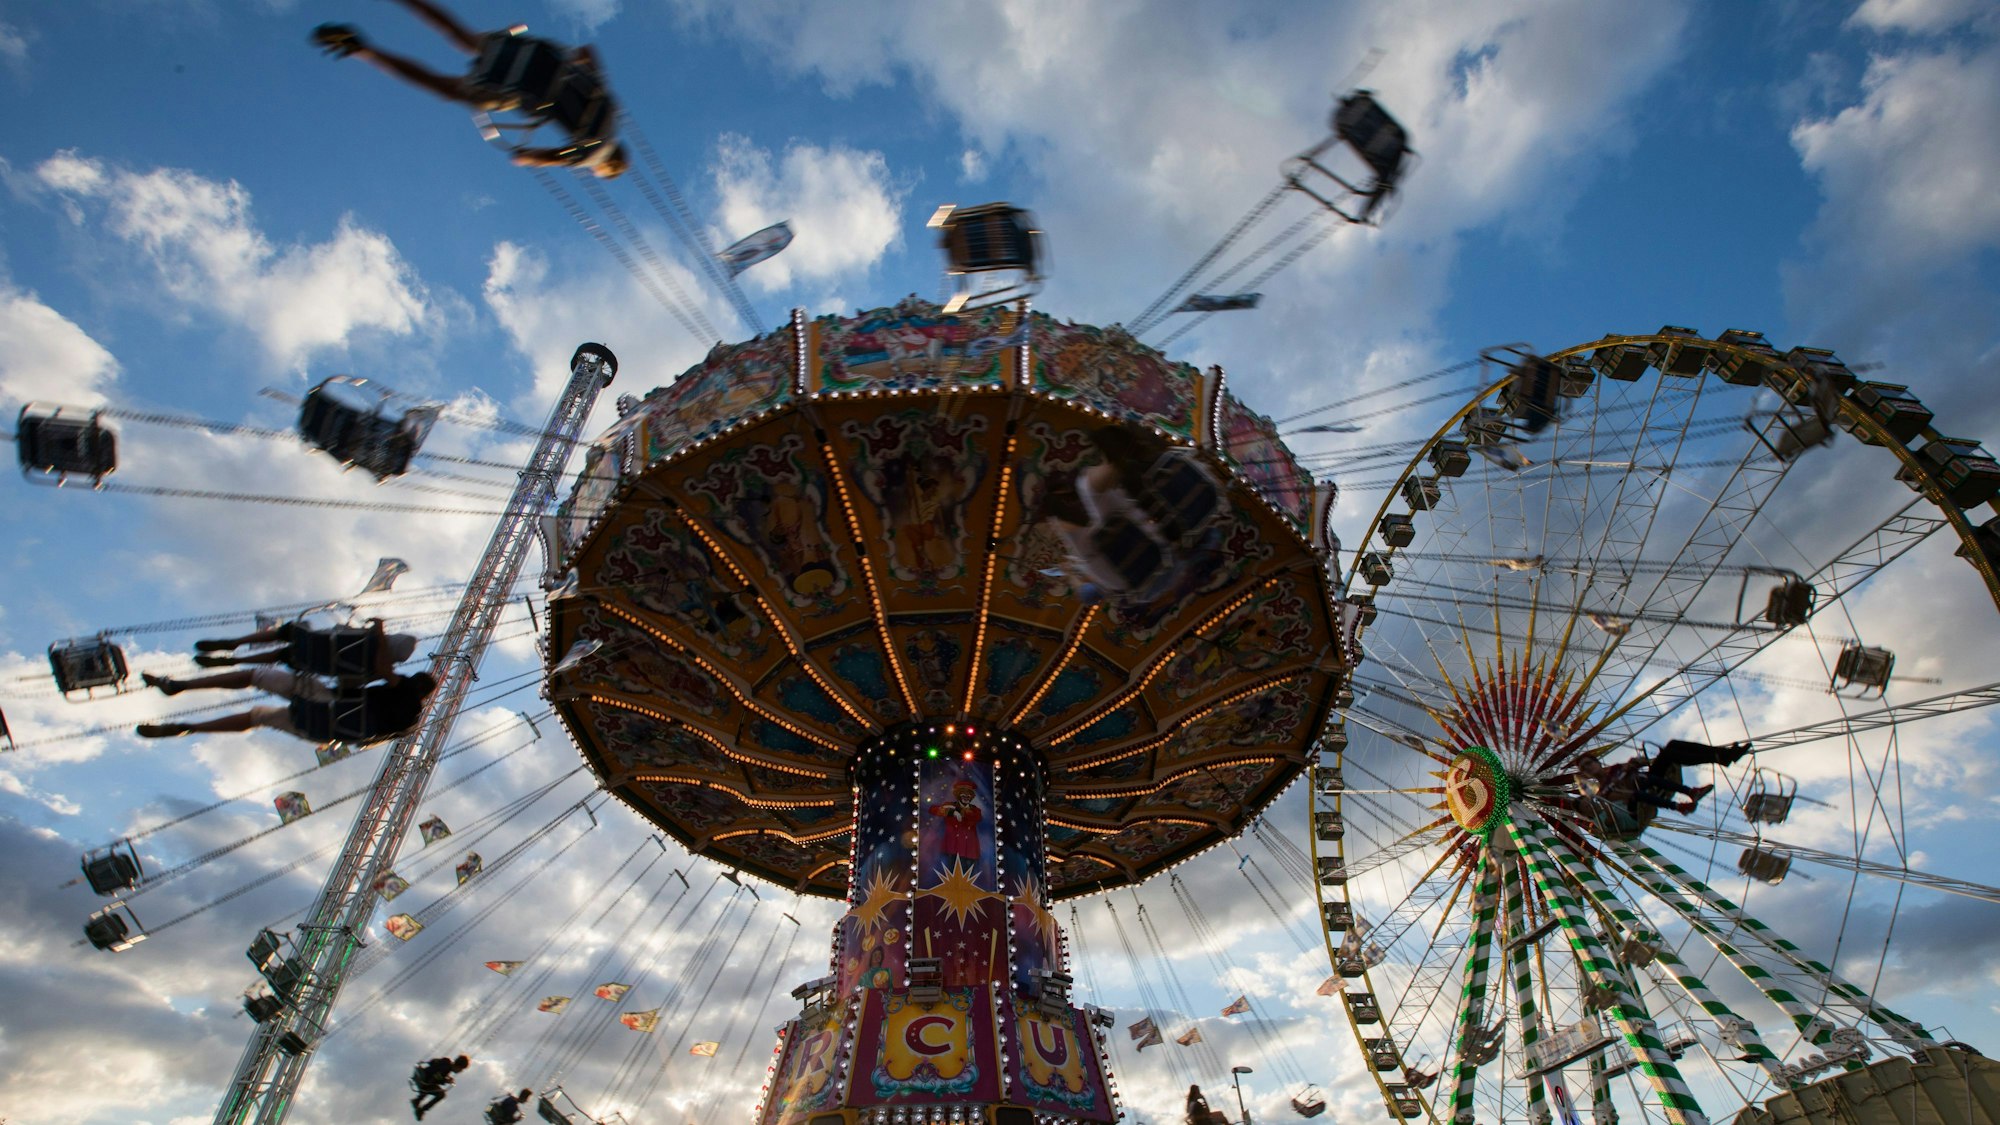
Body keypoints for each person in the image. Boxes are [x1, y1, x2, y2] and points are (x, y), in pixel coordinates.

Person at [313, 0, 628, 176]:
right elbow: (547, 157)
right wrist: (525, 158)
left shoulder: (612, 108)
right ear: (607, 166)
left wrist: (565, 65)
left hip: (535, 55)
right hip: (521, 86)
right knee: (444, 87)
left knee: (459, 35)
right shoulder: (592, 156)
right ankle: (361, 50)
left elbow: (587, 52)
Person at [134, 668, 437, 744]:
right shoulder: (411, 722)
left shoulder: (400, 686)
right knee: (259, 716)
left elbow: (358, 683)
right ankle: (191, 728)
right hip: (324, 730)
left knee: (258, 676)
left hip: (327, 703)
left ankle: (180, 686)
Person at [194, 617, 419, 681]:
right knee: (281, 656)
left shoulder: (371, 637)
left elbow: (341, 630)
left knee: (286, 632)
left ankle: (235, 643)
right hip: (315, 663)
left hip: (315, 641)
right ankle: (235, 662)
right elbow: (348, 681)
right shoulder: (378, 671)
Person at [411, 1054, 470, 1120]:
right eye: (461, 1069)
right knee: (441, 1094)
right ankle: (421, 1110)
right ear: (458, 1067)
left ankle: (417, 1100)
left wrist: (445, 1078)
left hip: (420, 1075)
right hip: (424, 1082)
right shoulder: (447, 1069)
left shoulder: (446, 1060)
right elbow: (436, 1078)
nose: (460, 1071)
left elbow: (432, 1062)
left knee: (433, 1087)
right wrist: (446, 1081)